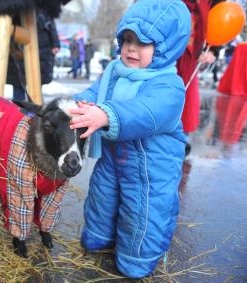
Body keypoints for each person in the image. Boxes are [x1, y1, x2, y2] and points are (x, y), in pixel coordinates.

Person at [69, 0, 191, 278]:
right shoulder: (114, 71)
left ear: (164, 47)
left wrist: (107, 115)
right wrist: (78, 107)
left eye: (143, 42)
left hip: (150, 168)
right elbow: (94, 93)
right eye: (127, 39)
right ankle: (99, 235)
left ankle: (137, 257)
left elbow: (147, 111)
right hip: (115, 156)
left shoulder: (168, 85)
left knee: (143, 212)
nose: (131, 48)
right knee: (103, 196)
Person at [177, 0, 225, 155]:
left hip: (191, 50)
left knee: (185, 94)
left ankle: (180, 137)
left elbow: (220, 14)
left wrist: (214, 49)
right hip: (162, 43)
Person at [6, 8, 60, 101]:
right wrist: (55, 43)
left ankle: (25, 110)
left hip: (38, 48)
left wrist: (55, 44)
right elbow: (51, 26)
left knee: (30, 85)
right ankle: (25, 111)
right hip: (23, 47)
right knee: (21, 84)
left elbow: (51, 25)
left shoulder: (43, 9)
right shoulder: (43, 9)